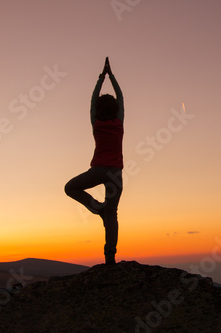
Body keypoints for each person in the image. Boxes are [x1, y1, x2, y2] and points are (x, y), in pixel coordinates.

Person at [65, 57, 124, 265]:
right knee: (112, 215)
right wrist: (112, 76)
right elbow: (121, 97)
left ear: (98, 109)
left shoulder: (96, 123)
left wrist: (101, 77)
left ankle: (95, 207)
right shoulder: (119, 123)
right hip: (115, 174)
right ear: (116, 108)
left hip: (98, 170)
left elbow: (92, 100)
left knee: (70, 188)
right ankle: (110, 256)